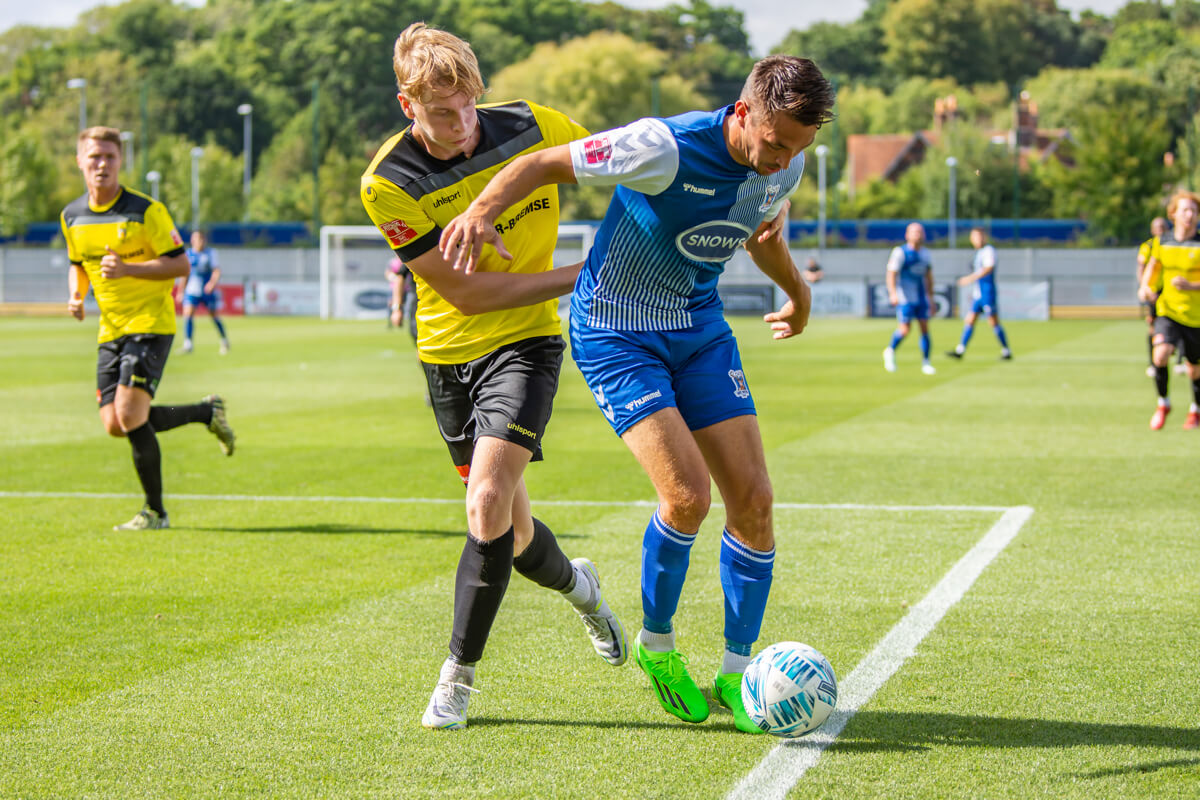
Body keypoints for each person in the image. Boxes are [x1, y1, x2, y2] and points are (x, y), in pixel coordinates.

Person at [439, 54, 835, 734]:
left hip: (699, 325)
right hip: (617, 331)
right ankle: (659, 648)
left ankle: (738, 676)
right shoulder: (660, 146)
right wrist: (480, 211)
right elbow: (541, 165)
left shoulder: (786, 162)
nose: (782, 161)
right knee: (686, 496)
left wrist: (796, 293)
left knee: (756, 502)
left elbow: (761, 231)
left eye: (797, 150)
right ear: (742, 114)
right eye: (773, 144)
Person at [359, 22, 627, 731]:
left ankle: (457, 679)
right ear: (405, 104)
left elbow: (630, 165)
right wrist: (587, 272)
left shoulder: (537, 125)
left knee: (483, 503)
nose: (461, 124)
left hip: (527, 345)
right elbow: (467, 295)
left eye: (468, 104)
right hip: (448, 358)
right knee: (510, 534)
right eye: (441, 113)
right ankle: (582, 590)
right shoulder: (387, 184)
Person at [62, 127, 236, 531]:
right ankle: (205, 412)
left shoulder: (145, 211)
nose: (101, 164)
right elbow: (78, 263)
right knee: (115, 424)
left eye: (109, 156)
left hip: (150, 324)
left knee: (128, 413)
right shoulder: (72, 216)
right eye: (94, 157)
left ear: (121, 161)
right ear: (80, 162)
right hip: (110, 328)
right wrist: (76, 296)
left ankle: (155, 512)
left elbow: (180, 265)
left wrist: (128, 269)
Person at [1139, 190, 1200, 430]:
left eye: (1194, 211)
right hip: (1168, 311)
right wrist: (1145, 288)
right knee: (1160, 355)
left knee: (1195, 370)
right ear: (1173, 213)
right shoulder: (1161, 242)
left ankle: (1195, 410)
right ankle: (1163, 403)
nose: (1190, 214)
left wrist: (1191, 286)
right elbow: (1152, 270)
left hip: (1196, 318)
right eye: (1185, 209)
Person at [946, 227, 1012, 361]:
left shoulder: (988, 251)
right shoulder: (978, 253)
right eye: (975, 237)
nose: (977, 239)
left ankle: (1006, 351)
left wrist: (970, 278)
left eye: (980, 236)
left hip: (987, 292)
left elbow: (988, 268)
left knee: (993, 322)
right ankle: (960, 350)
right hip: (978, 294)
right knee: (969, 320)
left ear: (985, 237)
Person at [882, 222, 936, 375]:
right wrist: (893, 293)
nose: (918, 235)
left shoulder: (926, 254)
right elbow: (891, 273)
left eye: (920, 232)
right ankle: (890, 351)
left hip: (921, 296)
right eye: (914, 232)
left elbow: (929, 277)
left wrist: (931, 298)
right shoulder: (900, 252)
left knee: (925, 328)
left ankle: (926, 362)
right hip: (905, 297)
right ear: (907, 235)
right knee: (905, 329)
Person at [180, 230, 231, 355]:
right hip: (192, 290)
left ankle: (224, 341)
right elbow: (185, 274)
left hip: (207, 290)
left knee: (214, 315)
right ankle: (188, 344)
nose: (200, 242)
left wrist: (212, 283)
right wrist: (181, 291)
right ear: (192, 241)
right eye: (197, 239)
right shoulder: (188, 254)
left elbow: (216, 270)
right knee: (188, 314)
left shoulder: (210, 253)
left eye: (201, 239)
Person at [1135, 217, 1173, 378]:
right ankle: (1153, 363)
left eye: (1163, 227)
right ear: (1152, 230)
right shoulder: (1148, 246)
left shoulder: (1174, 244)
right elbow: (1142, 267)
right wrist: (1144, 287)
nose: (1161, 230)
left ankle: (1181, 361)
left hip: (1172, 293)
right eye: (1158, 227)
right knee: (1153, 328)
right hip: (1154, 294)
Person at [385, 255, 417, 342]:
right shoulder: (398, 260)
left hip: (407, 290)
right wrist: (397, 309)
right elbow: (400, 277)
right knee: (417, 337)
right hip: (417, 299)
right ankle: (392, 321)